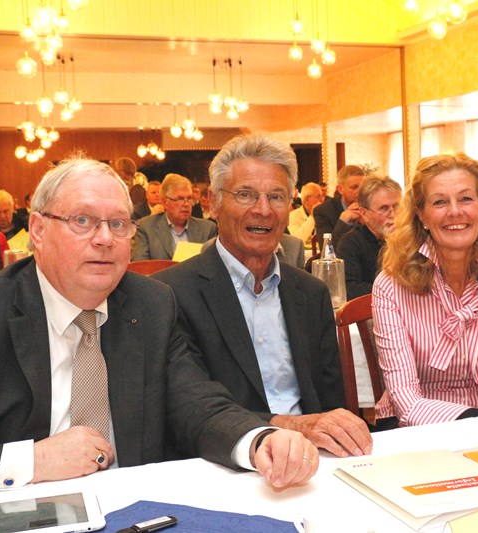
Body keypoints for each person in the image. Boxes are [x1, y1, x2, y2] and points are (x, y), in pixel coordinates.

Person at [0, 157, 318, 496]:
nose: (105, 239)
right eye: (82, 221)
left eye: (118, 224)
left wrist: (259, 440)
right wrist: (34, 461)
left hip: (136, 508)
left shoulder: (152, 304)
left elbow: (196, 404)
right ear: (38, 229)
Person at [154, 134, 372, 458]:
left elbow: (330, 404)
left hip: (313, 459)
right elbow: (189, 409)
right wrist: (289, 427)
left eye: (276, 196)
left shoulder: (311, 293)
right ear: (213, 202)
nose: (263, 210)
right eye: (245, 195)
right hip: (223, 463)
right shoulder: (170, 295)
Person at [372, 153, 478, 428]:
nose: (455, 212)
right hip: (415, 426)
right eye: (439, 202)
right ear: (421, 215)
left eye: (466, 199)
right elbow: (406, 401)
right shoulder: (391, 286)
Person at [336, 175, 401, 301]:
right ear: (364, 213)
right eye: (384, 208)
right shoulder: (350, 243)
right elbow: (349, 289)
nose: (393, 214)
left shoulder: (409, 238)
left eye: (396, 207)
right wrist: (396, 291)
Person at [131, 173, 217, 261]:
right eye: (180, 199)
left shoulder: (208, 229)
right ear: (164, 202)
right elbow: (140, 265)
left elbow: (213, 264)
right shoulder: (146, 228)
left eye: (189, 198)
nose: (186, 204)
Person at [313, 164, 366, 249]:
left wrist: (367, 224)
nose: (360, 192)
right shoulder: (323, 211)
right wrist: (343, 222)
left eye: (363, 187)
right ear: (340, 189)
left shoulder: (371, 207)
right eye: (354, 187)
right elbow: (326, 249)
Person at [288, 182, 324, 248]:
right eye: (318, 196)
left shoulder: (323, 215)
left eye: (322, 196)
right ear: (307, 199)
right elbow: (297, 240)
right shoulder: (293, 216)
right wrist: (312, 217)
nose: (322, 200)